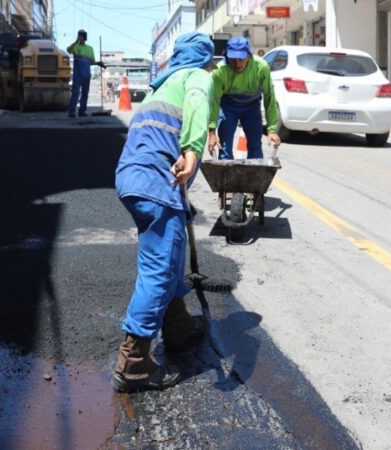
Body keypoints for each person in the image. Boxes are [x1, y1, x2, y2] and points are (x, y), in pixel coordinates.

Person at [112, 32, 215, 393]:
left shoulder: (161, 84)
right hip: (158, 181)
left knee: (170, 255)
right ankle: (134, 362)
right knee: (159, 266)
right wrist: (191, 148)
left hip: (132, 177)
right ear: (207, 60)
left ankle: (177, 325)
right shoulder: (197, 77)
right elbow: (199, 107)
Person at [207, 37, 280, 160]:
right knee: (224, 146)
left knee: (255, 145)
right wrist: (212, 132)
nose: (237, 64)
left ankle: (255, 177)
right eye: (233, 59)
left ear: (249, 56)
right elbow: (214, 101)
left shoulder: (261, 67)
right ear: (227, 56)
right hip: (228, 106)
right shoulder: (219, 71)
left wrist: (272, 129)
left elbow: (269, 97)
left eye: (241, 59)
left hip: (251, 106)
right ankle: (226, 178)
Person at [67, 30, 104, 117]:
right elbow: (68, 50)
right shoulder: (75, 47)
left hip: (86, 75)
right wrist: (75, 42)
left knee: (85, 93)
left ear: (84, 38)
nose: (80, 38)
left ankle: (82, 111)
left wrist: (99, 63)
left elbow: (91, 62)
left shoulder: (90, 49)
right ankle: (72, 111)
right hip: (77, 75)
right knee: (75, 93)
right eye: (79, 36)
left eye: (81, 36)